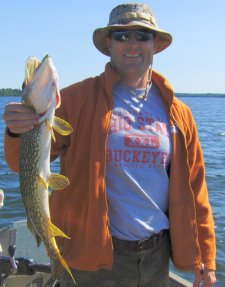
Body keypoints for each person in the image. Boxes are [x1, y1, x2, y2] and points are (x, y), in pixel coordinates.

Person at [3, 3, 216, 287]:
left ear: (156, 45)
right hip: (93, 259)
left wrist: (206, 257)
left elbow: (196, 190)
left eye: (142, 35)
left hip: (156, 256)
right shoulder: (73, 100)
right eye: (121, 36)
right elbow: (21, 164)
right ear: (109, 43)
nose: (132, 44)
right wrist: (18, 131)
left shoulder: (178, 113)